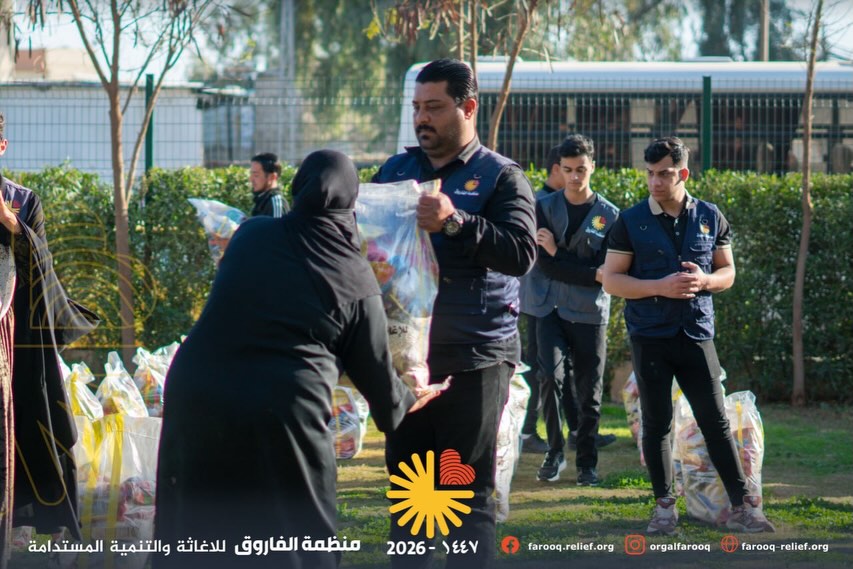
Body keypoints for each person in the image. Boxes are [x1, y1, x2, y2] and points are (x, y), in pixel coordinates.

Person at [154, 149, 436, 569]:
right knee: (298, 536)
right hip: (283, 410)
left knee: (199, 522)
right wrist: (410, 396)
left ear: (297, 187)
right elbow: (376, 376)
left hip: (197, 392)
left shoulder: (251, 234)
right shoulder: (355, 277)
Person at [373, 58, 536, 569]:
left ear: (468, 108)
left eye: (435, 107)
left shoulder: (502, 176)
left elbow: (521, 254)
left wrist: (455, 221)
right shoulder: (394, 173)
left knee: (464, 492)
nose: (422, 118)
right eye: (416, 107)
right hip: (408, 362)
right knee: (410, 492)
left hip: (475, 357)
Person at [601, 136, 775, 534]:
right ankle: (664, 509)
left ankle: (743, 507)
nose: (655, 182)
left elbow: (728, 272)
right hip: (650, 336)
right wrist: (660, 286)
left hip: (696, 333)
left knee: (715, 421)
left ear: (683, 173)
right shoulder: (630, 220)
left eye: (664, 174)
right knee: (656, 423)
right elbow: (612, 281)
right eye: (650, 173)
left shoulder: (710, 216)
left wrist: (706, 280)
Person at [0, 111, 99, 566]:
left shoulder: (23, 201)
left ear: (3, 147)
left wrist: (11, 224)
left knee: (25, 427)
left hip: (13, 340)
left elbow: (42, 268)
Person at [523, 135, 619, 486]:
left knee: (589, 392)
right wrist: (584, 270)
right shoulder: (543, 208)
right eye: (568, 170)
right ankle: (554, 451)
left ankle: (586, 464)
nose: (575, 177)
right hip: (548, 309)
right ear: (559, 170)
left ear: (593, 166)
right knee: (548, 377)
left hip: (589, 313)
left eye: (581, 169)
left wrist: (557, 254)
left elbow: (604, 274)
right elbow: (545, 267)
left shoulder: (610, 216)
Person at [249, 152, 289, 217]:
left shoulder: (276, 203)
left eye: (256, 175)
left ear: (272, 177)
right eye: (251, 174)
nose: (251, 179)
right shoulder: (261, 201)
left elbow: (276, 223)